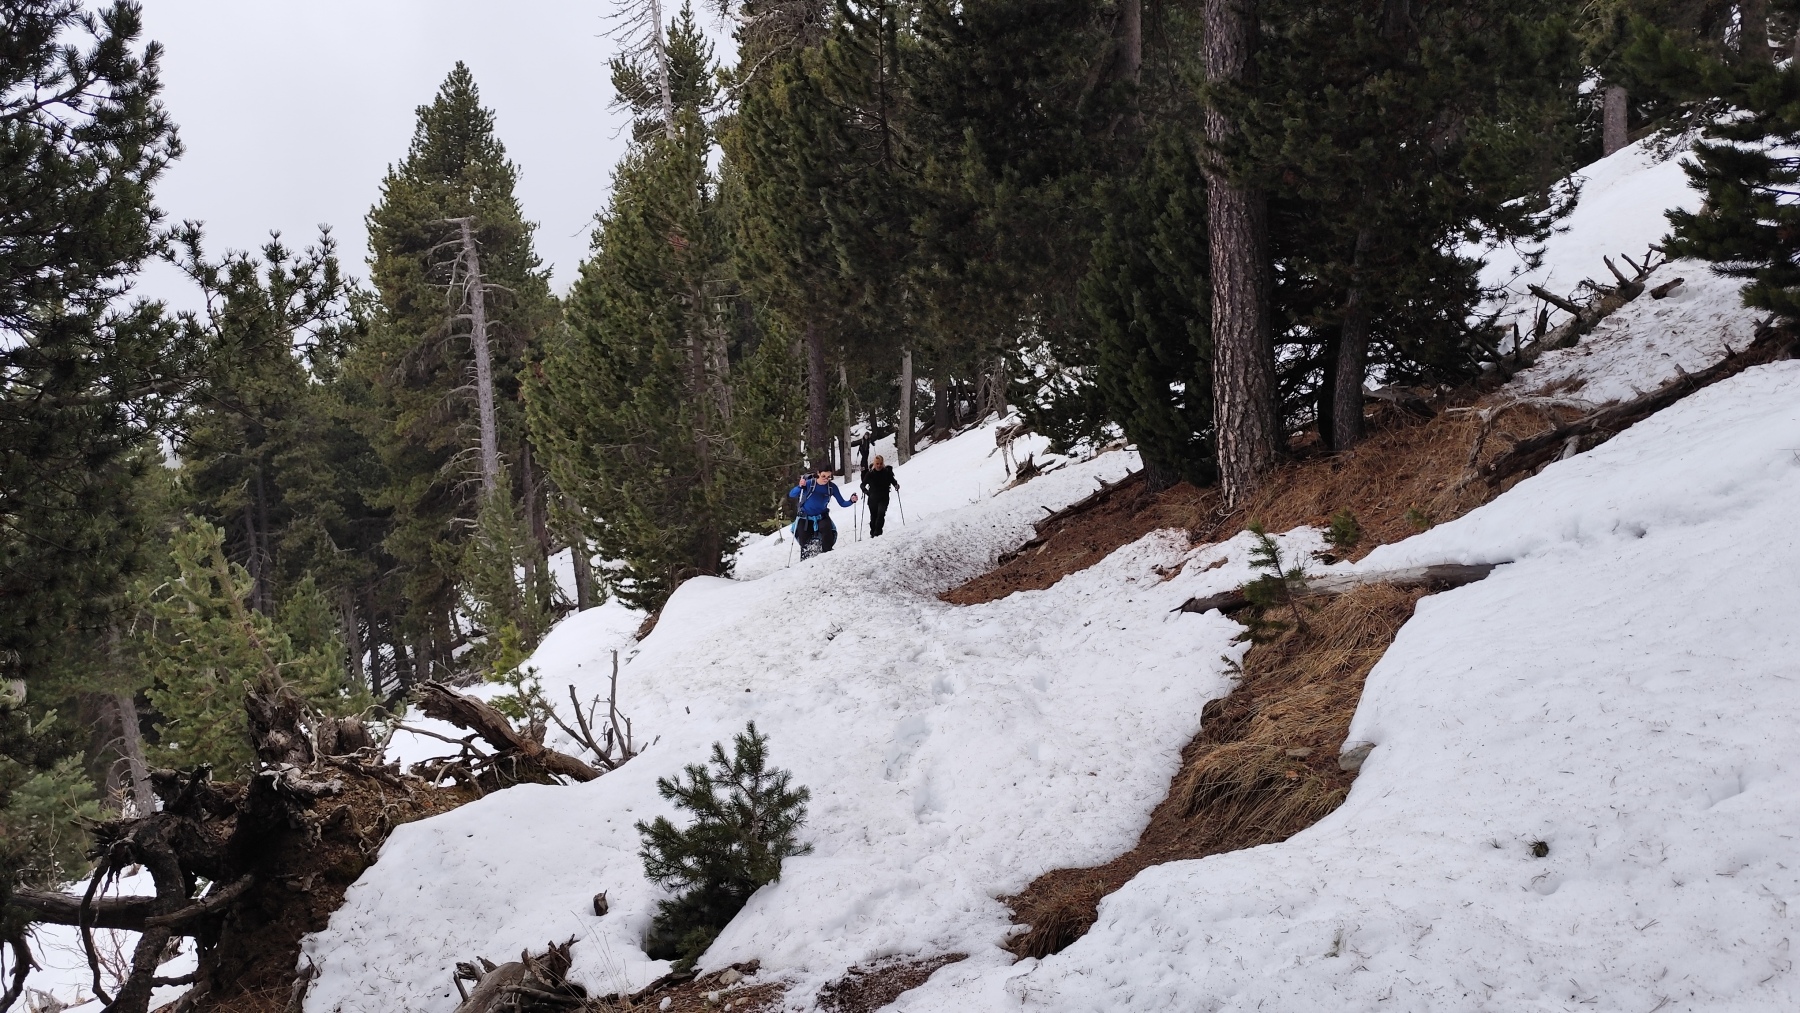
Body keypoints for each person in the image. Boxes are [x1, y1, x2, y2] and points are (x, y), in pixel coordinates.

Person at [788, 469, 858, 556]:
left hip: (822, 516)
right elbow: (792, 494)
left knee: (827, 536)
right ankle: (806, 559)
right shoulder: (809, 483)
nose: (826, 479)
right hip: (805, 517)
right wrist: (800, 486)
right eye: (823, 476)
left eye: (828, 477)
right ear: (818, 473)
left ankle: (826, 556)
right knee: (804, 543)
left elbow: (842, 503)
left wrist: (851, 501)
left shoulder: (831, 487)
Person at [860, 455, 899, 537]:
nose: (879, 465)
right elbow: (862, 485)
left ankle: (878, 533)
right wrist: (866, 492)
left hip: (884, 497)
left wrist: (896, 485)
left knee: (881, 514)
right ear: (874, 464)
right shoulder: (870, 473)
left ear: (883, 463)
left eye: (881, 463)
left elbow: (893, 481)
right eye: (877, 464)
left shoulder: (887, 472)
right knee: (873, 516)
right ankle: (873, 533)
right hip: (872, 498)